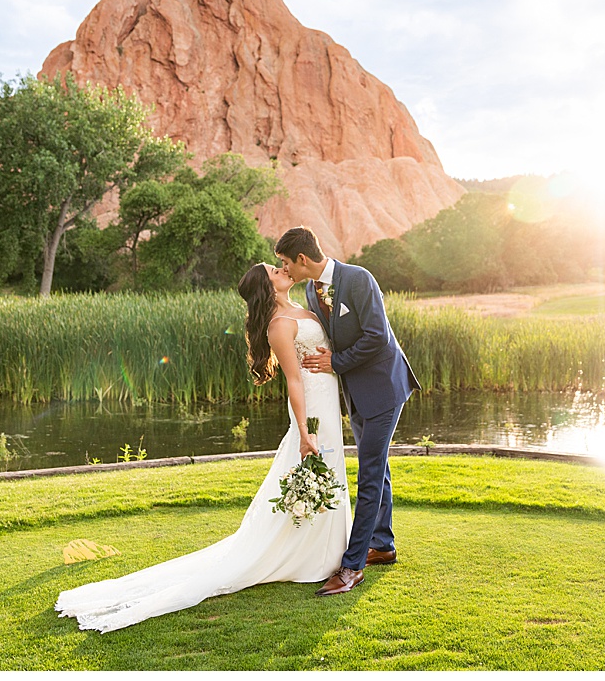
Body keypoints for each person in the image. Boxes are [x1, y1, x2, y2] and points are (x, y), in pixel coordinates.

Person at [54, 263, 350, 632]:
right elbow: (292, 379)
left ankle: (330, 546)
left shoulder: (303, 307)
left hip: (326, 396)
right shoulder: (279, 325)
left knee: (329, 471)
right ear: (266, 284)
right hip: (311, 405)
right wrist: (304, 430)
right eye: (275, 269)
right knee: (314, 468)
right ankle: (310, 555)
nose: (283, 269)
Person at [275, 226, 420, 597]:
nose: (285, 269)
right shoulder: (310, 289)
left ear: (302, 260)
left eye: (285, 262)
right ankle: (383, 546)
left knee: (369, 473)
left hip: (384, 388)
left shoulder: (358, 279)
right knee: (378, 465)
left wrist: (336, 362)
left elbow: (378, 336)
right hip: (356, 394)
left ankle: (352, 566)